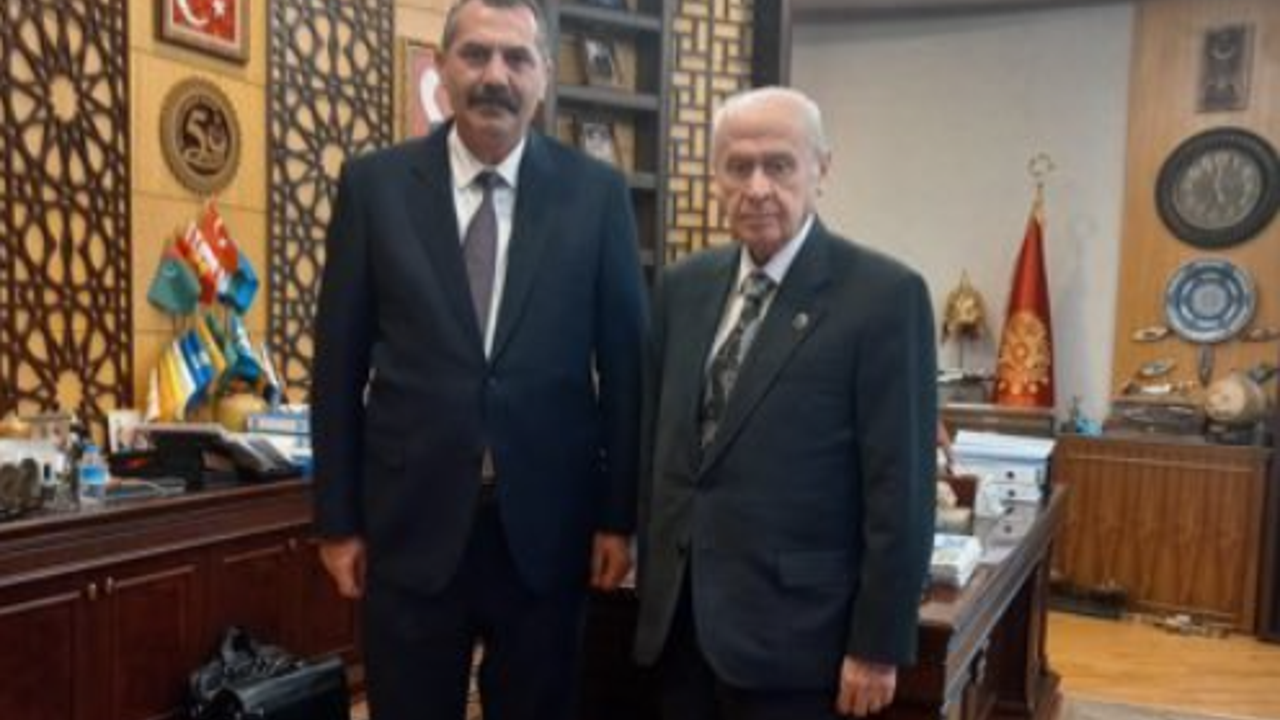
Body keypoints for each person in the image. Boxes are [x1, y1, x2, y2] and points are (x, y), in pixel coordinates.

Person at [310, 1, 646, 718]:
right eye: (476, 54)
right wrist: (337, 521)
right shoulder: (374, 187)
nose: (496, 75)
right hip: (411, 522)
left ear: (543, 76)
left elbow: (626, 373)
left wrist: (619, 518)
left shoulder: (598, 196)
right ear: (442, 67)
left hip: (549, 529)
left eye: (517, 58)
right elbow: (337, 366)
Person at [634, 87, 937, 720]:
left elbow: (901, 492)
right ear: (715, 176)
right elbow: (659, 445)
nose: (757, 188)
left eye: (778, 165)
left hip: (800, 640)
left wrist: (878, 645)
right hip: (680, 629)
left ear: (821, 169)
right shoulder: (683, 288)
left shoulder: (884, 297)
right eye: (738, 167)